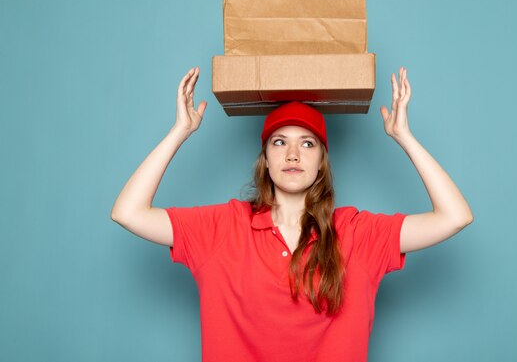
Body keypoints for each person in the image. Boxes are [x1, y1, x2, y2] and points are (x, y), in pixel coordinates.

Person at [110, 66, 473, 362]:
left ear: (321, 163)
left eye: (308, 144)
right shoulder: (221, 227)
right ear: (265, 160)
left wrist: (405, 136)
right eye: (280, 142)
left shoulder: (358, 233)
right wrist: (179, 131)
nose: (293, 154)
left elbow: (454, 216)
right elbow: (128, 212)